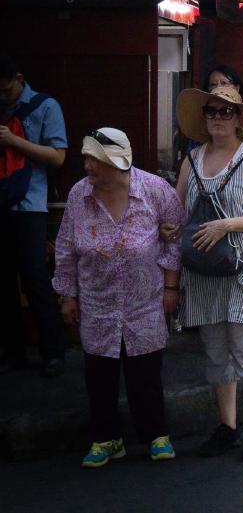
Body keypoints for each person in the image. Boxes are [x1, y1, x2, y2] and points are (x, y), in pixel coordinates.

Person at [52, 128, 183, 467]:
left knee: (146, 372)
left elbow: (174, 237)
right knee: (99, 374)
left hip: (145, 300)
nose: (86, 166)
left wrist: (171, 286)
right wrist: (67, 295)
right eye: (86, 158)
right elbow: (66, 247)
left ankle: (156, 434)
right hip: (97, 301)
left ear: (114, 163)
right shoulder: (80, 195)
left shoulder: (155, 190)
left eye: (93, 159)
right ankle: (107, 439)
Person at [175, 85, 243, 462]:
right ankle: (227, 426)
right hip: (204, 267)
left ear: (239, 119)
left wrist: (226, 225)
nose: (218, 118)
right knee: (216, 350)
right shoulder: (192, 158)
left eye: (226, 112)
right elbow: (178, 211)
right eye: (212, 111)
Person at [0, 54, 67, 376]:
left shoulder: (45, 106)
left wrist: (14, 141)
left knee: (35, 279)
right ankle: (13, 353)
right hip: (2, 204)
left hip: (29, 206)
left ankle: (53, 352)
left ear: (19, 78)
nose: (3, 97)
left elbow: (57, 156)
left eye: (7, 90)